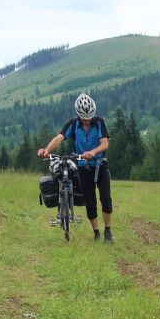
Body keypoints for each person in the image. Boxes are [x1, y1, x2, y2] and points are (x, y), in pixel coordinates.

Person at [38, 93, 114, 242]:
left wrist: (93, 152)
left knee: (105, 198)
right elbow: (59, 138)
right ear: (79, 115)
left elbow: (104, 143)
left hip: (100, 165)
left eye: (90, 116)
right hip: (82, 166)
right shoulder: (72, 124)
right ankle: (96, 233)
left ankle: (108, 231)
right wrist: (47, 151)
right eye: (85, 118)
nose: (88, 120)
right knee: (90, 201)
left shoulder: (99, 122)